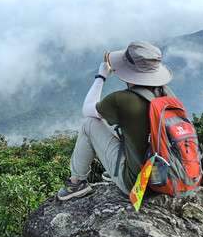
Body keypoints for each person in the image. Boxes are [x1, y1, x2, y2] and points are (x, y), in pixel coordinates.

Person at [57, 41, 174, 200]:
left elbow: (87, 110)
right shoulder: (167, 94)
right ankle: (119, 170)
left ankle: (75, 183)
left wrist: (102, 75)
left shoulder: (121, 100)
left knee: (89, 125)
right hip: (166, 178)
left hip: (138, 185)